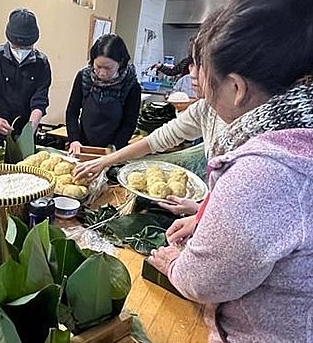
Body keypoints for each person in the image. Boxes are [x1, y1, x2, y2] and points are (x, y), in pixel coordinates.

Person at [149, 0, 313, 343]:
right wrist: (206, 221)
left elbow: (204, 281)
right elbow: (285, 227)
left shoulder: (266, 171)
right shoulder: (311, 135)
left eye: (208, 80)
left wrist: (176, 264)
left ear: (235, 87)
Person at [73, 39, 226, 216]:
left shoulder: (253, 136)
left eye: (198, 65)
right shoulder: (204, 109)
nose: (190, 73)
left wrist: (200, 212)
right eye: (191, 64)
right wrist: (104, 161)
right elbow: (156, 140)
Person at [0, 8, 52, 149]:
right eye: (16, 46)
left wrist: (29, 131)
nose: (21, 50)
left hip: (25, 131)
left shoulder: (41, 63)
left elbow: (40, 101)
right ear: (9, 38)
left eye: (26, 46)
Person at [66, 34, 141, 155]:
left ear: (121, 63)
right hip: (83, 144)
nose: (102, 73)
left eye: (108, 68)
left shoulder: (131, 85)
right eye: (98, 66)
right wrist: (74, 139)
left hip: (113, 149)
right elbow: (72, 112)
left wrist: (114, 148)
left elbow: (129, 124)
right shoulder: (83, 77)